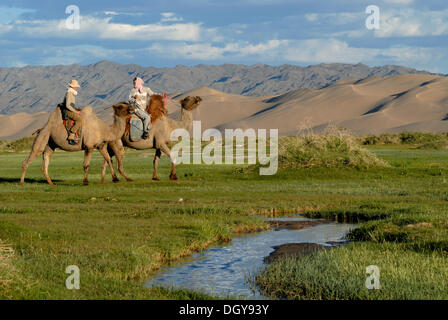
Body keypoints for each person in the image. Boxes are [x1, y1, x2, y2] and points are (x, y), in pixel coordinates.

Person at [59, 80, 82, 145]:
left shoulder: (71, 93)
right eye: (76, 87)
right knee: (79, 119)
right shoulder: (69, 93)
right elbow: (68, 105)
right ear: (73, 87)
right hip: (67, 112)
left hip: (69, 110)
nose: (77, 88)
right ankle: (72, 135)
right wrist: (76, 112)